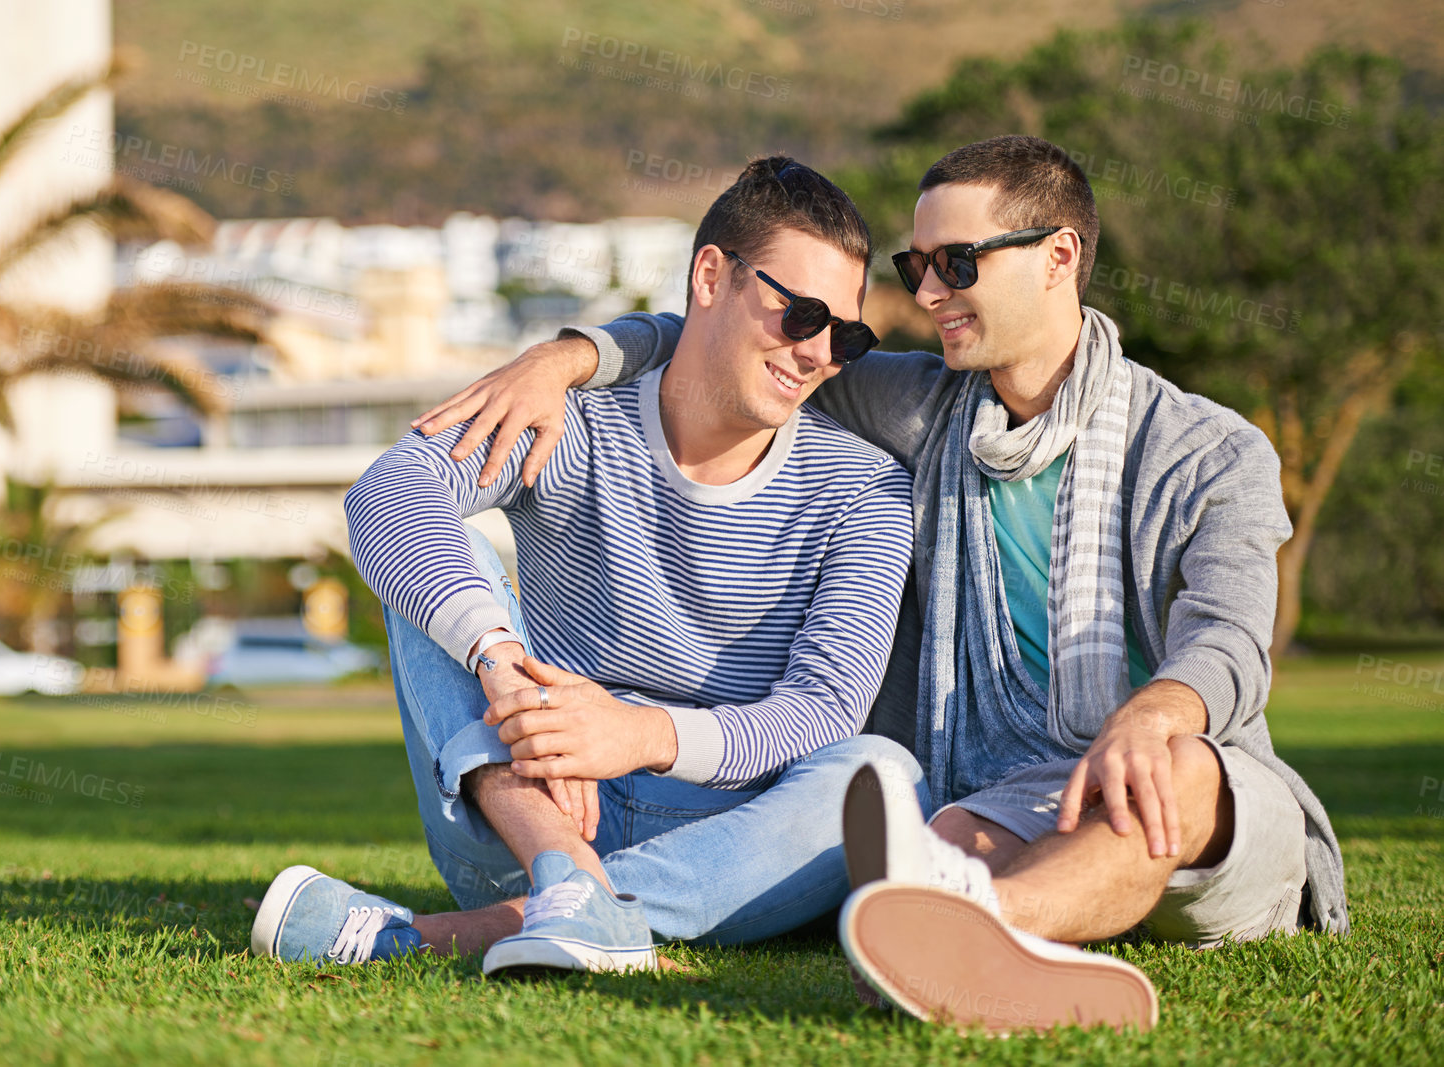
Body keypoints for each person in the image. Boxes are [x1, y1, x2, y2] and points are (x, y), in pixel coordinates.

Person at [414, 135, 1346, 1032]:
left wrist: (1157, 711)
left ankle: (972, 929)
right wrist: (564, 358)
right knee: (917, 852)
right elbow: (723, 335)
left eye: (957, 262)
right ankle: (964, 935)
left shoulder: (1209, 451)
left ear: (1058, 256)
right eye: (916, 266)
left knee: (1168, 774)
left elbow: (1228, 637)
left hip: (1191, 793)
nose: (930, 292)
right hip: (991, 797)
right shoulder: (920, 401)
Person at [249, 156, 919, 975]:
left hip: (728, 843)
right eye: (801, 313)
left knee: (882, 774)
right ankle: (565, 880)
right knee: (434, 566)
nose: (816, 352)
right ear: (710, 275)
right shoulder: (566, 420)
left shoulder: (865, 489)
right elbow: (388, 489)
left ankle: (487, 925)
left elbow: (823, 708)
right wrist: (503, 670)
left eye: (844, 334)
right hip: (531, 804)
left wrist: (633, 732)